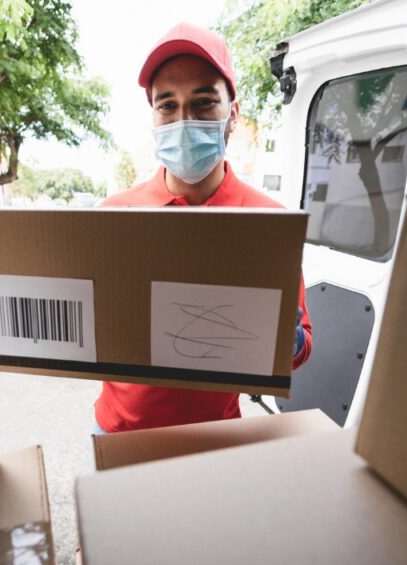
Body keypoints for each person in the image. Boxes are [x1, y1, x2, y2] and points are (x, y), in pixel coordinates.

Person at [93, 22, 313, 434]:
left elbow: (297, 352)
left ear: (233, 111)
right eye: (168, 106)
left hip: (215, 435)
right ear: (154, 117)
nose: (184, 120)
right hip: (117, 432)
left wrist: (289, 340)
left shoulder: (269, 223)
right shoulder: (113, 216)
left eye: (204, 101)